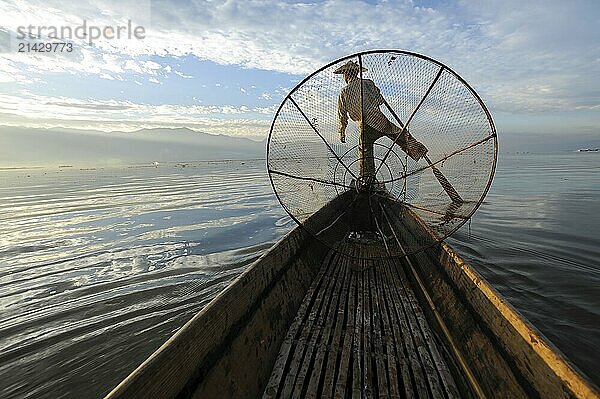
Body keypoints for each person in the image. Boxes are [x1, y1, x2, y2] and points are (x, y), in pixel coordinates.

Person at [335, 60, 428, 183]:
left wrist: (342, 131)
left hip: (365, 124)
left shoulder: (344, 91)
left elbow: (342, 114)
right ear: (356, 72)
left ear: (346, 75)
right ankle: (419, 151)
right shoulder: (368, 83)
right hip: (379, 119)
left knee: (364, 151)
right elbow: (379, 100)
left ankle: (367, 179)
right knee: (399, 135)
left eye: (344, 75)